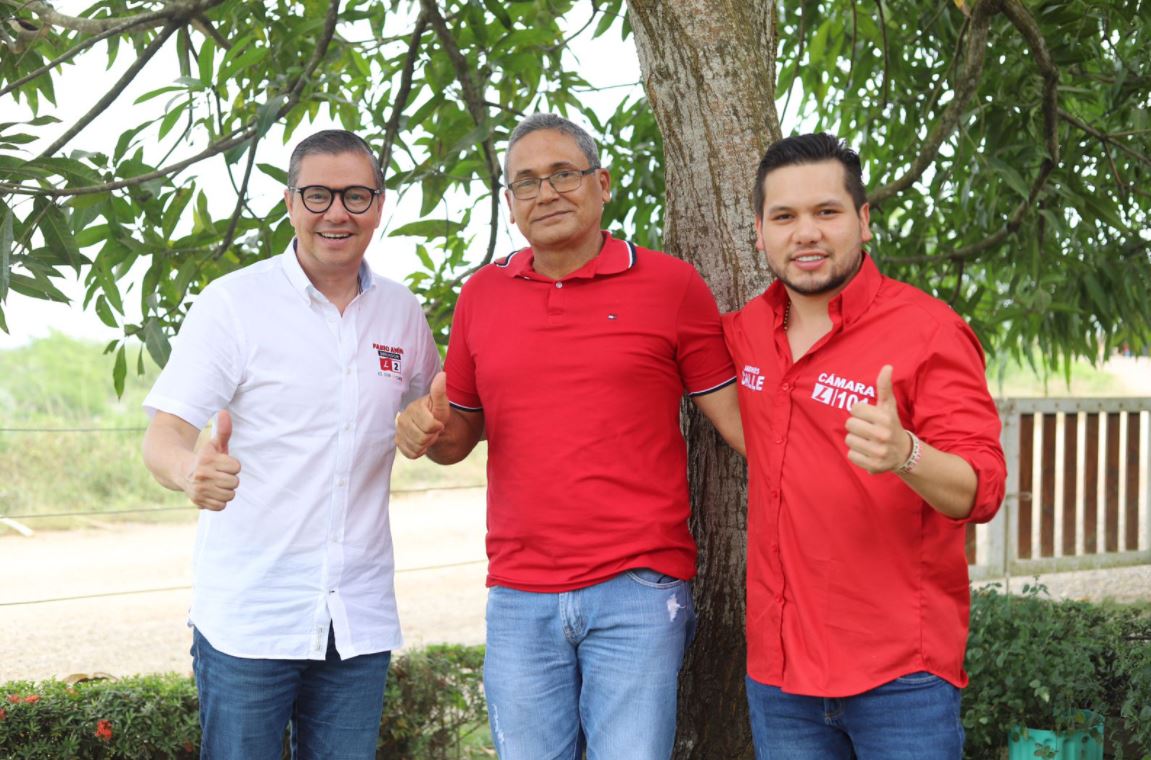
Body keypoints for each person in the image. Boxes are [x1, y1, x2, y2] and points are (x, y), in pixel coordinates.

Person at [395, 113, 744, 759]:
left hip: (637, 588)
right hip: (518, 593)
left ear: (602, 182)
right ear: (508, 204)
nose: (545, 193)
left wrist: (851, 445)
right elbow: (459, 432)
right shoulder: (482, 294)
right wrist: (423, 432)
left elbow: (739, 424)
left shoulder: (671, 286)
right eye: (525, 182)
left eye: (563, 174)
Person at [142, 129, 439, 759]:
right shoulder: (234, 303)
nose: (337, 212)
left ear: (379, 206)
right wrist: (190, 472)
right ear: (289, 202)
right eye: (318, 195)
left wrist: (428, 425)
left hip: (355, 617)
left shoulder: (402, 312)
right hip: (252, 613)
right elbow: (164, 436)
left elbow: (434, 414)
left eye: (356, 196)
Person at [723, 133, 1006, 759]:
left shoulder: (930, 332)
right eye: (785, 217)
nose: (807, 234)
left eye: (827, 212)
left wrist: (905, 452)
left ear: (863, 221)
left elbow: (981, 490)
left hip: (900, 676)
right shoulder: (743, 332)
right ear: (759, 231)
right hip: (779, 674)